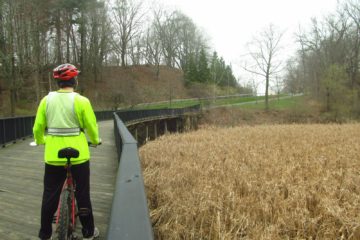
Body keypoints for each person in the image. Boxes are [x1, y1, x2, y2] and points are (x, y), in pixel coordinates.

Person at [33, 63, 101, 240]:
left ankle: (45, 233)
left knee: (49, 195)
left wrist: (41, 141)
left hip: (54, 155)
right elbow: (91, 127)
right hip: (79, 155)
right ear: (74, 81)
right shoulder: (81, 101)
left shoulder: (46, 100)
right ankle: (88, 232)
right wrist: (95, 141)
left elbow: (38, 127)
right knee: (83, 194)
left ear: (58, 83)